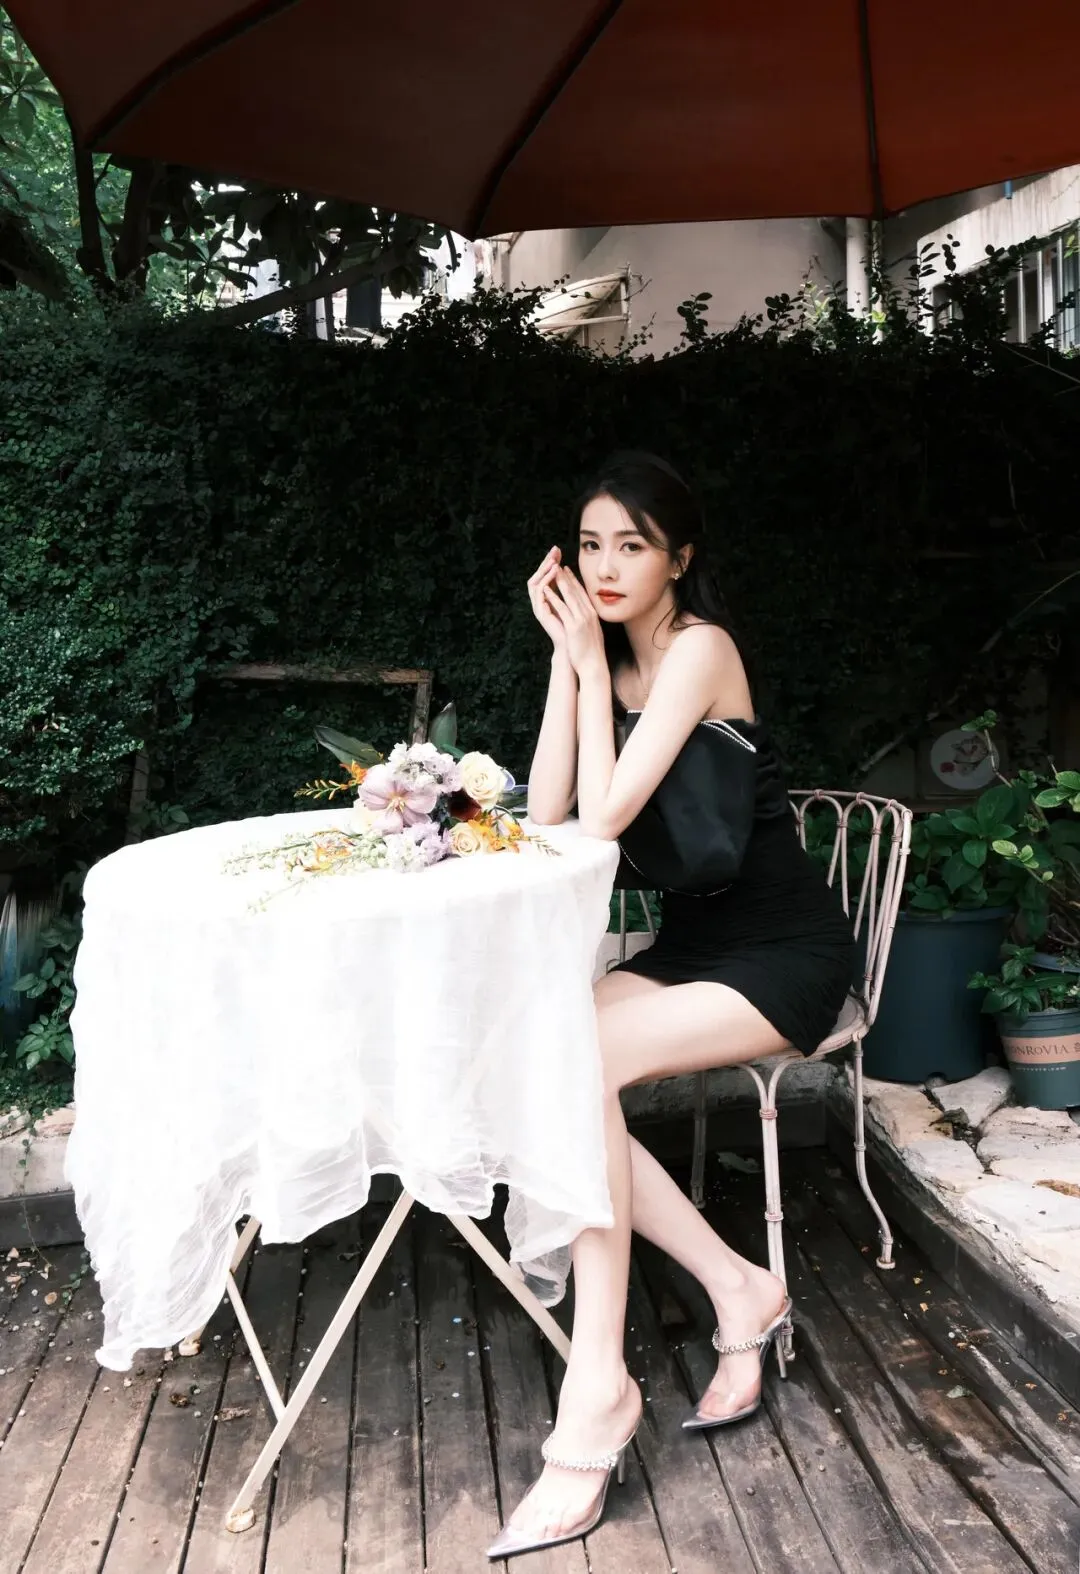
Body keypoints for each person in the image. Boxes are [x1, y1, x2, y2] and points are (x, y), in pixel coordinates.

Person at [487, 452, 856, 1559]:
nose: (605, 567)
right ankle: (739, 1287)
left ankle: (597, 1384)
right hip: (695, 946)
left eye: (632, 546)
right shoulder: (603, 649)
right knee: (541, 1054)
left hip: (782, 952)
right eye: (590, 544)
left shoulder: (701, 650)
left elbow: (603, 820)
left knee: (577, 1060)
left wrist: (588, 669)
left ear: (679, 559)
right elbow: (550, 806)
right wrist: (570, 663)